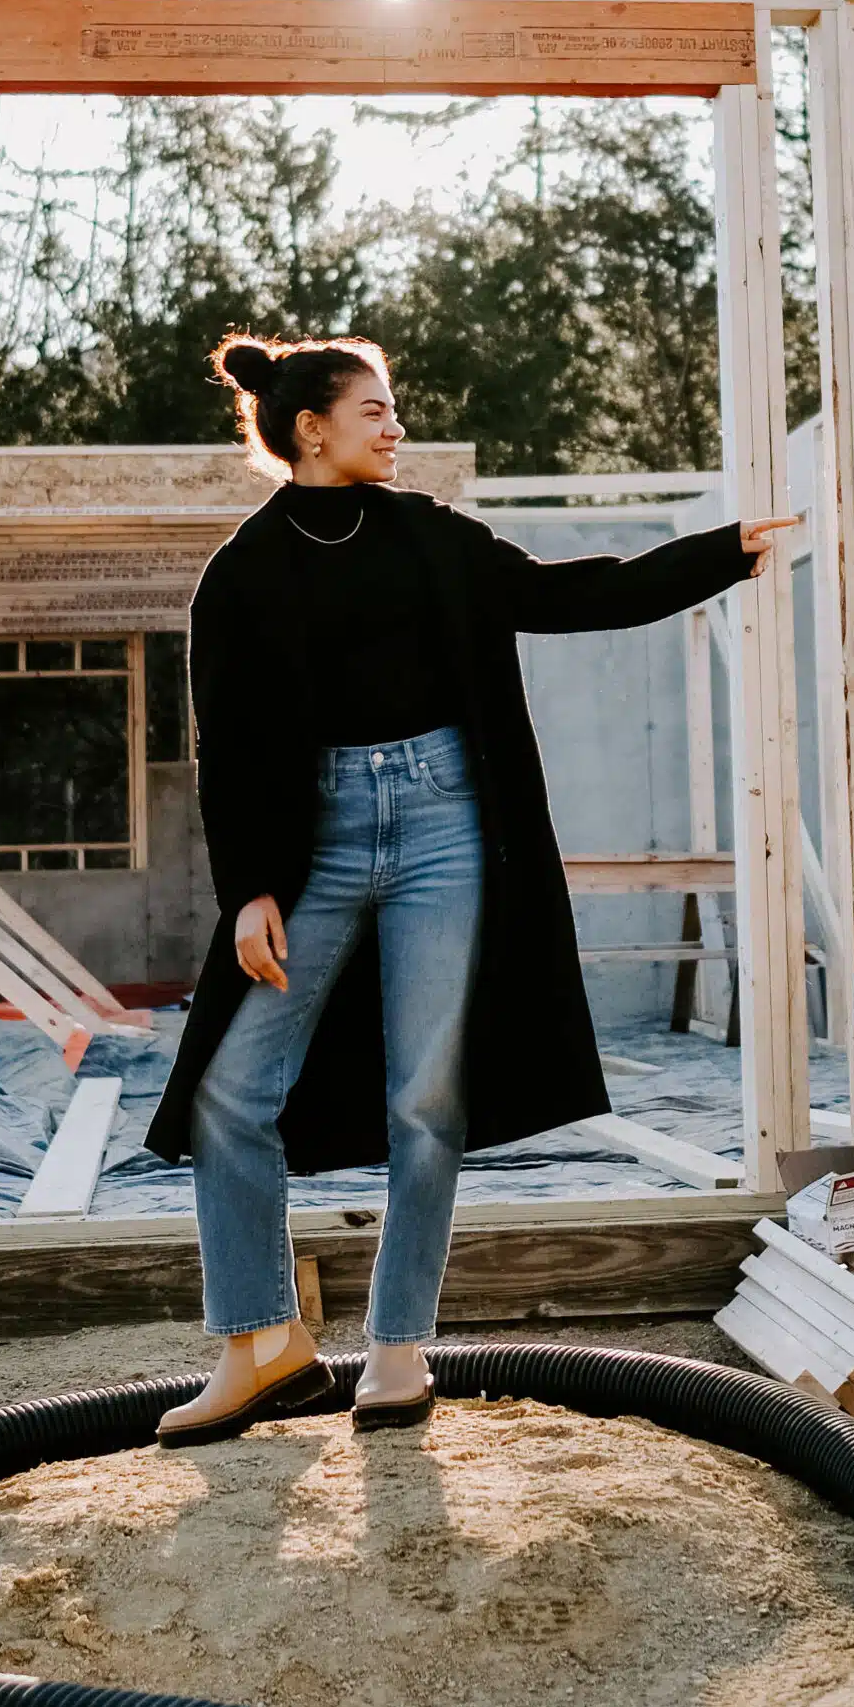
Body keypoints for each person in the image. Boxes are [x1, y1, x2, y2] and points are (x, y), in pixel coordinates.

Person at [147, 333, 792, 1441]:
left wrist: (719, 553)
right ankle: (261, 1345)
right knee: (228, 1090)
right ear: (312, 429)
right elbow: (233, 744)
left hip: (447, 825)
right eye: (376, 411)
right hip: (318, 847)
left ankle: (397, 1353)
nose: (395, 429)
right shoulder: (241, 575)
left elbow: (566, 597)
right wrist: (249, 888)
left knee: (423, 1099)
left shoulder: (427, 535)